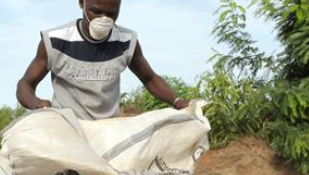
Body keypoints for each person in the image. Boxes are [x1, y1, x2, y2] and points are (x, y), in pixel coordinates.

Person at [16, 0, 190, 120]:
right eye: (96, 11)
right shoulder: (55, 41)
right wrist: (36, 104)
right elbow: (25, 84)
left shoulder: (126, 41)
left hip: (109, 130)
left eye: (111, 13)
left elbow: (150, 79)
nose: (103, 19)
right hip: (67, 129)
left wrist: (178, 102)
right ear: (82, 3)